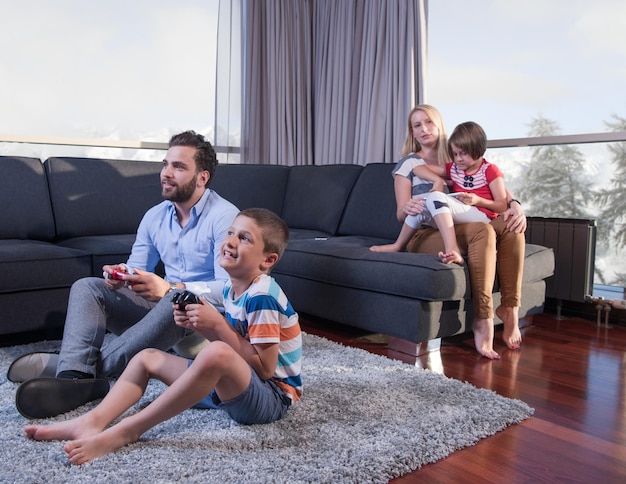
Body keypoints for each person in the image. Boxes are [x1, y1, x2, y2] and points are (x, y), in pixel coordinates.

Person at [23, 208, 302, 466]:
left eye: (244, 238)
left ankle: (127, 431)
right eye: (230, 233)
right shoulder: (232, 288)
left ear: (268, 260)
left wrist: (216, 327)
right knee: (147, 358)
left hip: (269, 398)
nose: (230, 241)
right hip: (232, 388)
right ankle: (92, 421)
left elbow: (266, 369)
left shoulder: (262, 297)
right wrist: (199, 322)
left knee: (216, 353)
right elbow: (189, 296)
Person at [10, 130, 240, 419]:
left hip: (204, 325)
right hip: (161, 314)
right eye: (165, 164)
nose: (166, 173)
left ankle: (75, 369)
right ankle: (76, 377)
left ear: (202, 177)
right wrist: (122, 277)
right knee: (88, 286)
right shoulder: (155, 216)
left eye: (178, 167)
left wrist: (170, 288)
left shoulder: (225, 217)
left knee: (179, 299)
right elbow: (139, 269)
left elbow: (230, 290)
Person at [391, 105, 526, 358]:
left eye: (428, 122)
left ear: (440, 125)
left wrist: (517, 206)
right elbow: (400, 214)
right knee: (482, 231)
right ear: (412, 132)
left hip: (465, 222)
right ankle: (483, 318)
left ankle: (509, 308)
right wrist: (408, 205)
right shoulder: (410, 163)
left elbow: (501, 193)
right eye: (416, 125)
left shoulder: (457, 158)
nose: (423, 129)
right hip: (423, 231)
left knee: (511, 226)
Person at [371, 121, 508, 266]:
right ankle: (398, 245)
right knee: (422, 204)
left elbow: (501, 206)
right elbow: (418, 169)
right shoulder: (454, 168)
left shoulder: (490, 170)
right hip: (462, 211)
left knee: (435, 196)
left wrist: (478, 200)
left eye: (463, 154)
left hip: (482, 214)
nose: (459, 159)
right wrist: (437, 180)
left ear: (478, 150)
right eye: (455, 154)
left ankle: (452, 248)